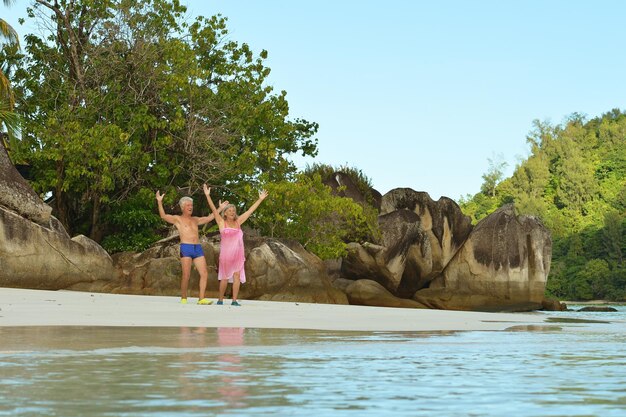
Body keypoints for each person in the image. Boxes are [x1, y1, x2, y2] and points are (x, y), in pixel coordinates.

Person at [156, 190, 228, 305]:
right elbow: (163, 216)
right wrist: (159, 201)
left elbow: (210, 218)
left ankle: (201, 299)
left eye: (192, 205)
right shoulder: (177, 219)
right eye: (188, 205)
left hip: (197, 248)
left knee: (204, 273)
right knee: (186, 275)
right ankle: (184, 298)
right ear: (182, 207)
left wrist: (220, 208)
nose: (191, 207)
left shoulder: (195, 219)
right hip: (186, 247)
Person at [204, 184, 268, 306]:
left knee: (237, 275)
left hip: (238, 256)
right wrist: (208, 195)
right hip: (226, 256)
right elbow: (213, 210)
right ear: (225, 213)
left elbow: (250, 211)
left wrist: (260, 199)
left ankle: (234, 300)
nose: (232, 212)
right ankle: (220, 300)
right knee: (224, 277)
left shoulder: (238, 222)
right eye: (229, 211)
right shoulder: (221, 222)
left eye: (233, 210)